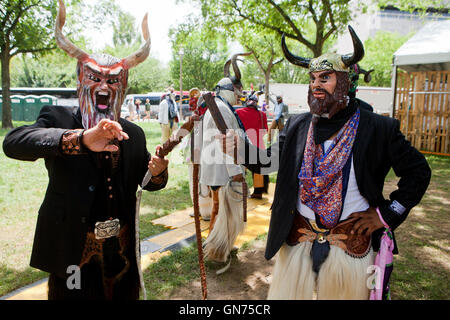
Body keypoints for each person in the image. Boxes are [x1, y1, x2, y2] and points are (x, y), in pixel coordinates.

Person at [218, 26, 431, 299]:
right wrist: (242, 150)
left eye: (326, 78)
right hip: (298, 243)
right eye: (313, 78)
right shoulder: (297, 125)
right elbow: (269, 161)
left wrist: (386, 215)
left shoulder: (378, 128)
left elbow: (419, 173)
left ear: (345, 82)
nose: (316, 85)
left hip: (351, 249)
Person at [2, 1, 169, 300]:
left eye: (113, 80)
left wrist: (158, 172)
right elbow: (14, 143)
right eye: (95, 77)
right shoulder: (58, 118)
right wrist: (79, 139)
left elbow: (148, 180)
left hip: (121, 250)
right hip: (73, 251)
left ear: (124, 85)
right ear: (81, 78)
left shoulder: (133, 132)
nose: (104, 86)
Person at [199, 52, 251, 273]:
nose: (239, 97)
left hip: (214, 170)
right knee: (221, 212)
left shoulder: (216, 107)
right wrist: (236, 171)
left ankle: (217, 248)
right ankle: (217, 252)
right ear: (229, 91)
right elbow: (226, 143)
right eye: (237, 92)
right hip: (222, 171)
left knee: (218, 211)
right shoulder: (220, 109)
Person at [236, 92, 269, 199]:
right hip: (258, 144)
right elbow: (264, 131)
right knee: (258, 170)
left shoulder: (238, 112)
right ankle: (258, 192)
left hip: (242, 144)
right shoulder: (262, 114)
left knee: (240, 168)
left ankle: (240, 191)